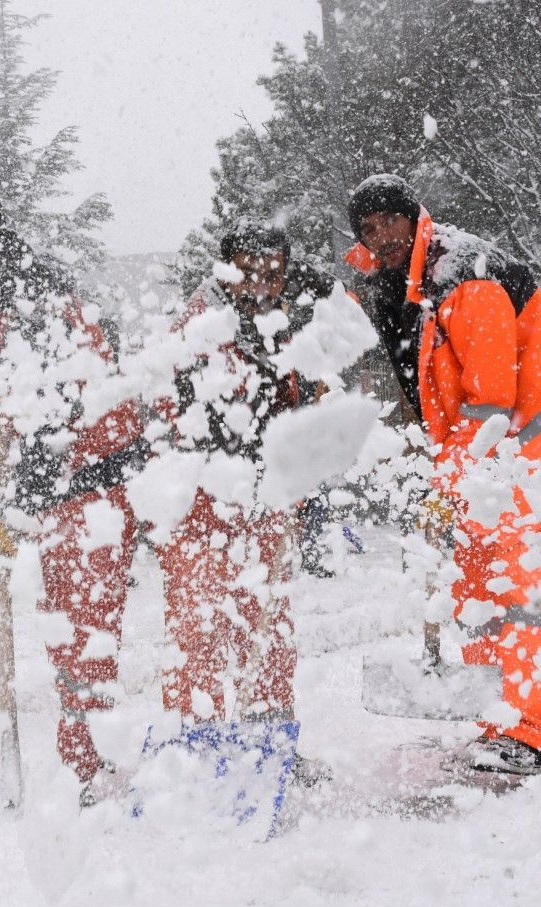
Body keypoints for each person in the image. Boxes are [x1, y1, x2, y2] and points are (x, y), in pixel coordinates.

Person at [345, 174, 541, 774]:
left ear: (413, 217)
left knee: (526, 596)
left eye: (387, 220)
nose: (378, 236)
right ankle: (497, 720)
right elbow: (439, 400)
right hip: (492, 462)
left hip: (537, 454)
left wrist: (449, 485)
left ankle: (530, 733)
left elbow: (489, 400)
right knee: (479, 593)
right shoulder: (405, 289)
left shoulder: (468, 274)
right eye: (366, 229)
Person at [0, 185, 147, 803]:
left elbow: (64, 411)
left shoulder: (34, 300)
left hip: (92, 487)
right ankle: (86, 764)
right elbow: (10, 417)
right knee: (68, 634)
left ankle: (99, 767)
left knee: (85, 635)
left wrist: (15, 500)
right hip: (59, 495)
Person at [153, 221, 330, 783]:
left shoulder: (278, 325)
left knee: (268, 622)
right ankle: (197, 746)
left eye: (274, 271)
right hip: (206, 499)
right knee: (201, 624)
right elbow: (179, 413)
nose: (265, 281)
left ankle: (269, 737)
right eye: (252, 270)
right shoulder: (201, 326)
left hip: (263, 500)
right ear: (229, 269)